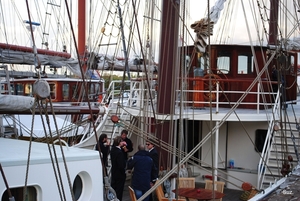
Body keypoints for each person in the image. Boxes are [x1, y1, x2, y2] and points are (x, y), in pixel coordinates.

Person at [110, 136, 127, 201]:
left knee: (114, 188)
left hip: (114, 172)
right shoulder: (119, 152)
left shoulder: (113, 150)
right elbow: (121, 165)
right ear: (119, 142)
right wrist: (123, 172)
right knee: (119, 191)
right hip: (119, 174)